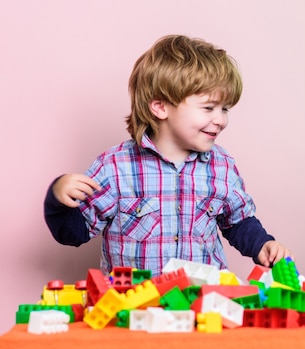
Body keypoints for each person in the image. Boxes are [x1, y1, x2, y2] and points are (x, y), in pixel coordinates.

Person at [44, 34, 291, 277]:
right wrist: (57, 198)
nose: (221, 120)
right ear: (161, 107)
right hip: (138, 308)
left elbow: (238, 222)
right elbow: (73, 233)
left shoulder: (221, 165)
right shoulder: (116, 167)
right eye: (208, 108)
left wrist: (262, 244)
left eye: (224, 109)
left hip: (202, 305)